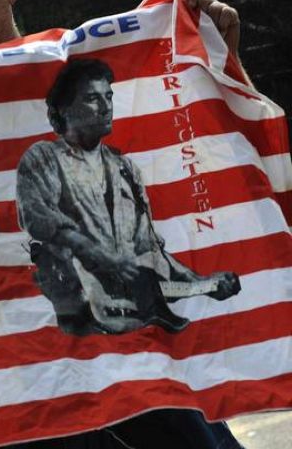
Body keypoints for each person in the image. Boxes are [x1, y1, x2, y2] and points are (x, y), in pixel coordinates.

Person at [0, 0, 245, 448]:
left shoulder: (97, 79)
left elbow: (201, 190)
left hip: (149, 390)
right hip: (29, 409)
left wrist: (216, 68)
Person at [16, 59, 240, 336]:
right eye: (92, 98)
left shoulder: (125, 169)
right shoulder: (44, 157)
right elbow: (37, 218)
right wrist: (99, 255)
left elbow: (150, 251)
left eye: (108, 97)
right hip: (75, 318)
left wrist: (202, 283)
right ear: (64, 109)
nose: (106, 106)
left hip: (132, 320)